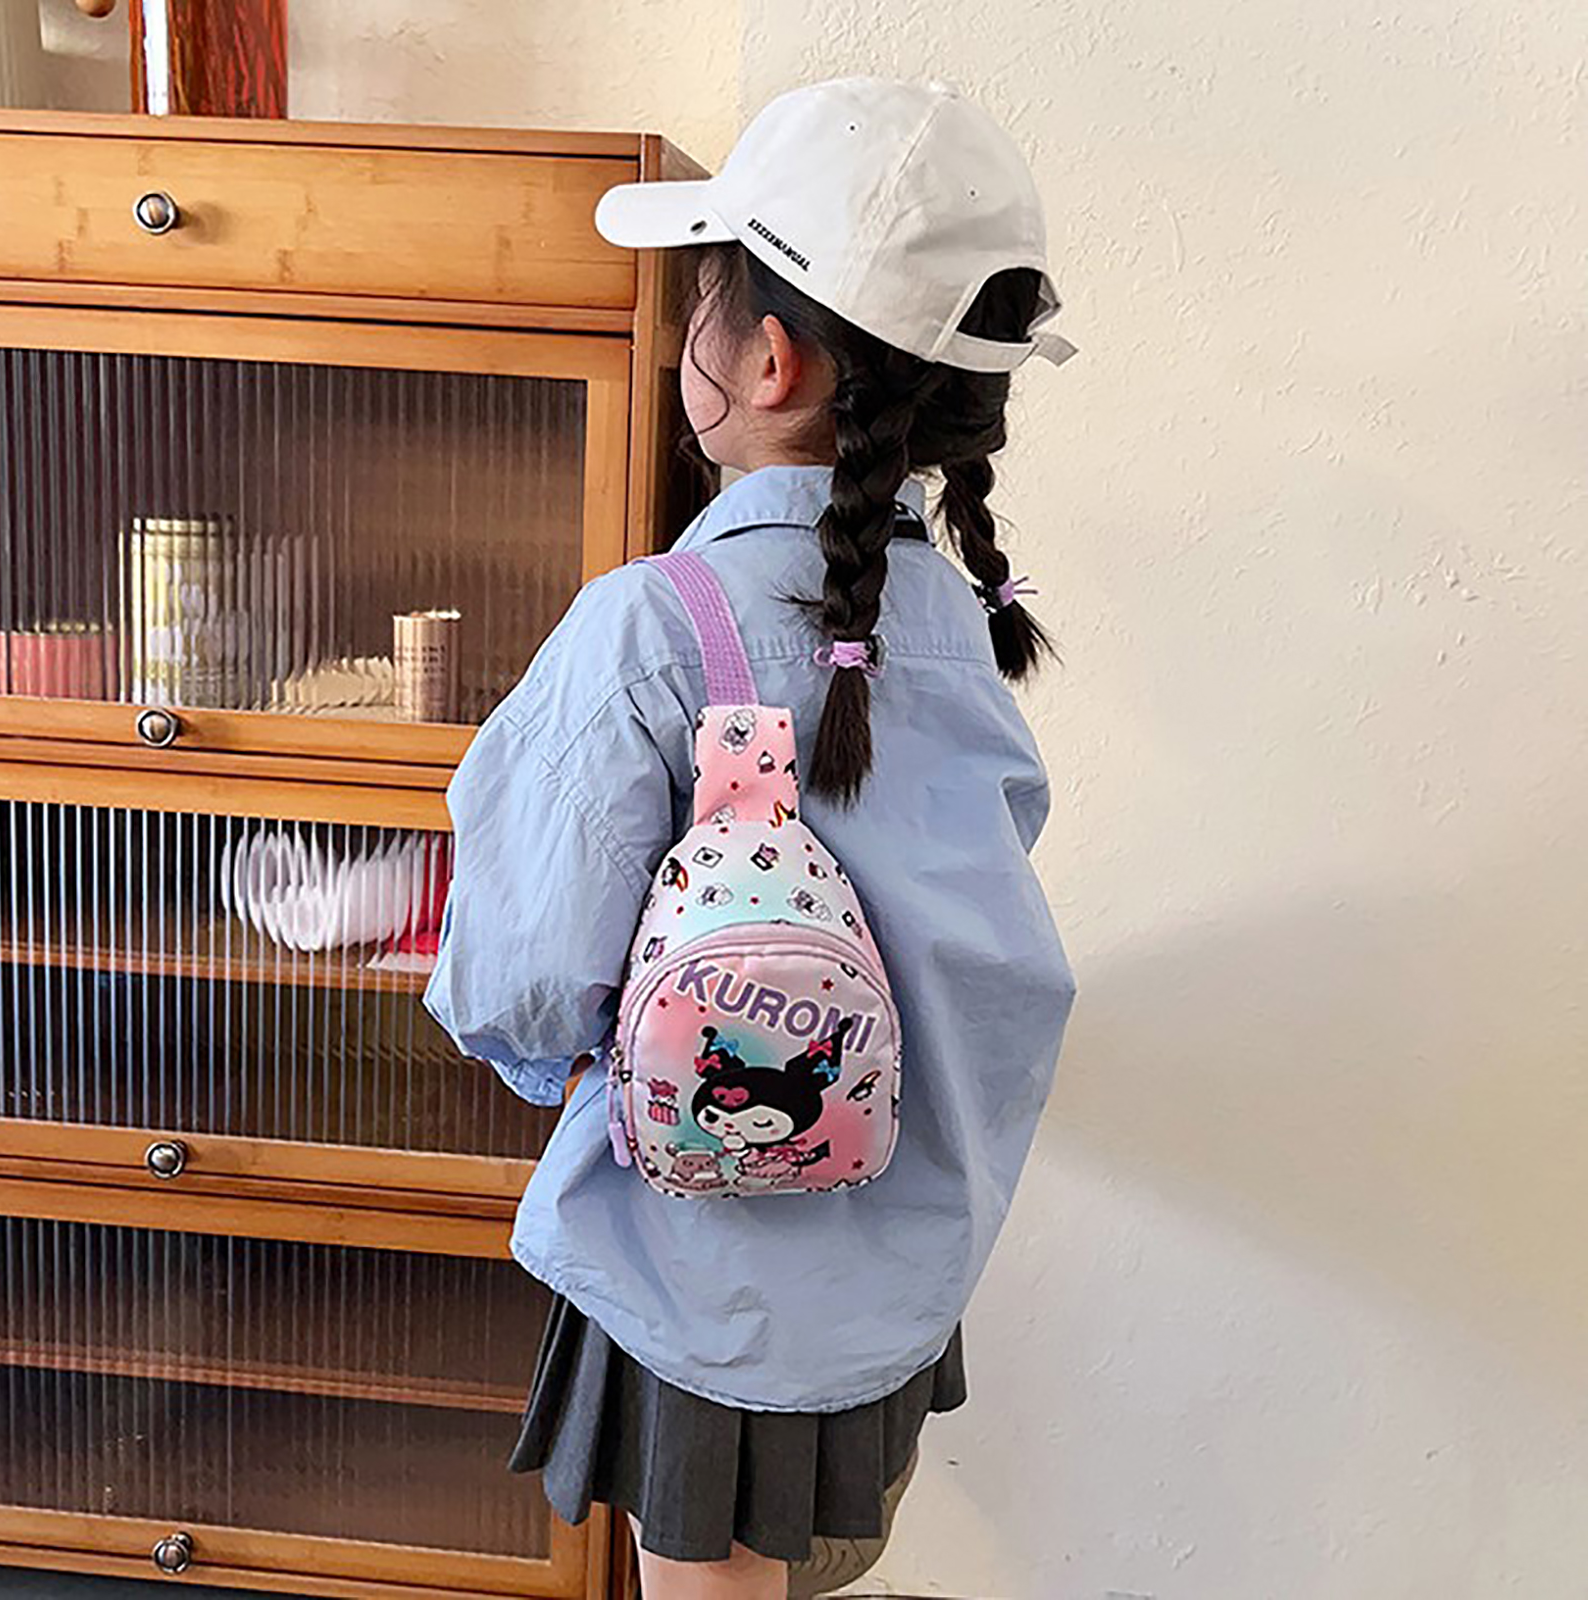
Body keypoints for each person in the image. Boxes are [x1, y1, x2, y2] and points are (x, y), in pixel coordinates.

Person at [423, 75, 1081, 1600]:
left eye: (702, 299)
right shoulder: (962, 627)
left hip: (703, 1269)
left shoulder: (652, 627)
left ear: (768, 360)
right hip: (901, 1260)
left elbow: (517, 978)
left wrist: (565, 1061)